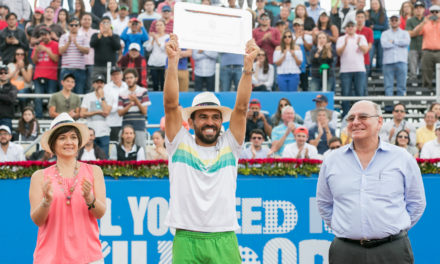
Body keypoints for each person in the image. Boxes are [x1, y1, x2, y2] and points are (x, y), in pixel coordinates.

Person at [163, 33, 258, 263]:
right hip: (186, 236)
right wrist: (173, 61)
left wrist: (247, 68)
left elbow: (242, 107)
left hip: (224, 235)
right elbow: (170, 104)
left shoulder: (230, 144)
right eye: (203, 116)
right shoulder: (179, 142)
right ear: (192, 121)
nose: (209, 122)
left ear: (221, 121)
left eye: (215, 117)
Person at [317, 100, 426, 264]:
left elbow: (416, 202)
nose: (355, 122)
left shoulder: (402, 158)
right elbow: (324, 203)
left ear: (379, 122)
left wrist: (392, 228)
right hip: (345, 252)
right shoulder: (332, 160)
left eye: (363, 117)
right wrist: (348, 228)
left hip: (392, 251)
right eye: (351, 118)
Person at [29, 112, 106, 263]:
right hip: (50, 257)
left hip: (88, 257)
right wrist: (46, 201)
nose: (69, 142)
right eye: (62, 138)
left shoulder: (94, 171)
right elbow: (37, 220)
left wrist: (90, 199)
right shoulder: (39, 176)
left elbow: (100, 213)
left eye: (73, 137)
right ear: (52, 144)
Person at [336, 21, 369, 116]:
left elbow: (365, 50)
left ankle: (361, 114)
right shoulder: (341, 39)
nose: (350, 28)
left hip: (359, 69)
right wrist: (345, 44)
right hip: (345, 70)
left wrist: (358, 44)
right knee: (345, 93)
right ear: (345, 28)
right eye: (348, 26)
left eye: (352, 26)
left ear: (355, 28)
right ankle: (346, 115)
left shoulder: (361, 37)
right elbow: (338, 52)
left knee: (360, 93)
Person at [117, 68, 151, 148]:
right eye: (127, 78)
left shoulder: (143, 91)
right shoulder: (121, 93)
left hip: (139, 126)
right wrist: (129, 105)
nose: (129, 80)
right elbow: (120, 113)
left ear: (136, 78)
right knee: (123, 152)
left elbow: (144, 111)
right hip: (126, 127)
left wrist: (136, 100)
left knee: (141, 151)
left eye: (131, 77)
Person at [80, 74, 112, 157]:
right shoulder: (88, 96)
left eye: (101, 83)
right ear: (93, 84)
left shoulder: (108, 97)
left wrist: (102, 97)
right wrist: (96, 112)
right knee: (88, 157)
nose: (99, 85)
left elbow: (106, 112)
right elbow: (82, 113)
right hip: (90, 133)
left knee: (104, 158)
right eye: (97, 82)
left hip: (104, 132)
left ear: (104, 85)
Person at [31, 26, 59, 118]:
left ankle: (52, 116)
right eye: (42, 35)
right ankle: (39, 117)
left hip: (51, 76)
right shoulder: (38, 46)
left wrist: (46, 50)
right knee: (38, 97)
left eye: (45, 34)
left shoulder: (55, 44)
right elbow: (34, 61)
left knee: (51, 98)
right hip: (38, 75)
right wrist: (36, 52)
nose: (44, 36)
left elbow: (56, 59)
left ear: (50, 35)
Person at [381, 14, 410, 96]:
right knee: (388, 86)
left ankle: (400, 107)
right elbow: (384, 44)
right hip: (388, 62)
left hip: (401, 61)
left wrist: (393, 41)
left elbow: (406, 43)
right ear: (389, 21)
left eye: (396, 20)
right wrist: (398, 42)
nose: (394, 22)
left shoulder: (405, 33)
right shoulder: (385, 33)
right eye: (392, 20)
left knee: (401, 86)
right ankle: (389, 108)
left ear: (399, 21)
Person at [58, 17, 90, 95]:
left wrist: (76, 44)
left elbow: (87, 51)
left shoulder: (83, 36)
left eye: (76, 25)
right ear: (68, 26)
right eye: (72, 25)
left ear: (79, 26)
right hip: (66, 68)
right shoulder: (64, 36)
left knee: (79, 92)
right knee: (65, 93)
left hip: (80, 69)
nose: (74, 27)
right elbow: (60, 51)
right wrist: (69, 42)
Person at [412, 5, 440, 91]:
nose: (434, 14)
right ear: (429, 13)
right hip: (427, 51)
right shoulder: (425, 24)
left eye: (436, 12)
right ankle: (428, 90)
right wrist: (423, 22)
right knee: (426, 71)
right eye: (432, 12)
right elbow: (415, 32)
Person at [145, 19, 169, 91]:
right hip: (153, 62)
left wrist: (157, 40)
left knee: (163, 82)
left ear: (165, 27)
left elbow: (164, 49)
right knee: (155, 83)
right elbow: (148, 49)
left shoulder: (167, 37)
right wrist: (153, 40)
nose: (158, 27)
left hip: (163, 62)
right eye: (157, 25)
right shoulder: (153, 37)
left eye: (161, 25)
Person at [104, 66, 127, 142]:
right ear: (111, 77)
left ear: (122, 75)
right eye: (113, 75)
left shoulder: (127, 86)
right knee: (113, 144)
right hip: (111, 122)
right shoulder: (106, 88)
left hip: (126, 120)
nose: (116, 76)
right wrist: (120, 108)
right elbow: (106, 106)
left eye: (117, 74)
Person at [6, 47, 33, 112]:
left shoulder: (29, 65)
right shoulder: (10, 65)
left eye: (22, 54)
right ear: (15, 55)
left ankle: (23, 113)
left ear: (24, 55)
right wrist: (17, 69)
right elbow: (10, 78)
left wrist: (22, 68)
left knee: (22, 94)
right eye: (17, 54)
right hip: (13, 88)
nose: (19, 56)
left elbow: (28, 80)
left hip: (25, 88)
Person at [355, 10, 374, 94]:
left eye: (362, 17)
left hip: (364, 61)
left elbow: (369, 46)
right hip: (353, 62)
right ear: (355, 18)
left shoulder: (369, 31)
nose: (360, 19)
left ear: (365, 19)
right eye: (358, 17)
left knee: (363, 85)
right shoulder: (351, 30)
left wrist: (362, 47)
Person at [367, 0, 388, 72]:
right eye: (372, 4)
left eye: (376, 3)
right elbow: (367, 26)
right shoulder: (368, 13)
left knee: (380, 56)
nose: (374, 5)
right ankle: (368, 73)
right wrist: (378, 27)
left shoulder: (383, 14)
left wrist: (374, 27)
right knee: (370, 55)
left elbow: (385, 27)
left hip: (381, 38)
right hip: (370, 38)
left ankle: (379, 73)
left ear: (379, 4)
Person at [406, 1, 425, 81]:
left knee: (424, 69)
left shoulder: (427, 19)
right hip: (413, 46)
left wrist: (415, 31)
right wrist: (422, 26)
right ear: (413, 10)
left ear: (424, 9)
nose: (418, 10)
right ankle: (412, 85)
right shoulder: (410, 20)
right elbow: (409, 34)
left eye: (420, 8)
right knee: (413, 70)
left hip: (425, 47)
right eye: (416, 8)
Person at [79, 13, 98, 91]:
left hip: (91, 62)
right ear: (81, 21)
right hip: (79, 63)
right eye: (85, 19)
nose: (87, 21)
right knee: (79, 85)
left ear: (91, 21)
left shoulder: (96, 32)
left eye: (89, 19)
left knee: (90, 85)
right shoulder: (77, 31)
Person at [0, 64, 17, 131]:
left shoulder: (13, 87)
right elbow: (8, 97)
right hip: (6, 118)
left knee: (6, 139)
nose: (3, 74)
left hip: (6, 118)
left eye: (5, 72)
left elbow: (11, 98)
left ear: (8, 74)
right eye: (1, 73)